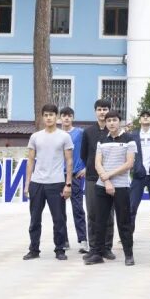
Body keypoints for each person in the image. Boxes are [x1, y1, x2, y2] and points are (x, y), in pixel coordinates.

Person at [84, 111, 136, 266]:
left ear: (119, 121)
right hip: (103, 186)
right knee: (100, 220)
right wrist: (105, 181)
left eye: (114, 120)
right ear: (105, 123)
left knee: (123, 221)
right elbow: (97, 163)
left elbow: (129, 164)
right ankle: (97, 254)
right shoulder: (101, 140)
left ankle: (129, 254)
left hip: (121, 186)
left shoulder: (129, 139)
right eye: (109, 120)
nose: (111, 123)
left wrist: (109, 176)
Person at [24, 104, 75, 261]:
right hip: (37, 182)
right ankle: (34, 249)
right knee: (34, 219)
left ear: (56, 117)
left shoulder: (64, 136)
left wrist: (68, 184)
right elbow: (30, 161)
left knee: (58, 219)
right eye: (45, 115)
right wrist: (27, 184)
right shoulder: (35, 136)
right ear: (42, 117)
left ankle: (59, 249)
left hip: (56, 182)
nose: (48, 118)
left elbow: (69, 161)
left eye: (51, 115)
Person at [81, 99, 115, 261]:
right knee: (93, 214)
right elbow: (84, 154)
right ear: (95, 111)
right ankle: (94, 247)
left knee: (108, 214)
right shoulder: (88, 132)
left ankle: (107, 247)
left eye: (105, 109)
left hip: (111, 178)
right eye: (100, 109)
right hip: (92, 178)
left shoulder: (114, 132)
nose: (102, 112)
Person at [59, 107, 88, 254]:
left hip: (76, 174)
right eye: (64, 116)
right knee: (59, 210)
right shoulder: (55, 134)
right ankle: (63, 240)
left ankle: (83, 240)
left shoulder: (80, 133)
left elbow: (89, 150)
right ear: (60, 118)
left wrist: (86, 168)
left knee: (77, 208)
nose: (66, 118)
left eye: (69, 116)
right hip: (58, 176)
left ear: (73, 118)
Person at [127, 109, 150, 241]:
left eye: (148, 116)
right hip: (138, 175)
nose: (145, 118)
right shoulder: (132, 135)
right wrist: (134, 168)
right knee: (132, 207)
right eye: (143, 116)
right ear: (139, 120)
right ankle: (128, 235)